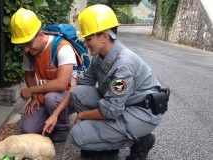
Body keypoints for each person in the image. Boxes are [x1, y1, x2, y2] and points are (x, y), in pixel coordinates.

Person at [68, 4, 167, 160]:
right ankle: (106, 148)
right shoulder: (99, 57)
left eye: (88, 38)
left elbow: (111, 111)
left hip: (141, 112)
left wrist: (83, 115)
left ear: (104, 37)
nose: (85, 44)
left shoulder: (124, 65)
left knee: (78, 134)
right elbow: (82, 84)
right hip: (124, 104)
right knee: (78, 94)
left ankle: (140, 141)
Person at [10, 8, 78, 143]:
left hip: (67, 97)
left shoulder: (62, 48)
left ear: (41, 34)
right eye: (23, 45)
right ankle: (49, 113)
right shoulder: (29, 51)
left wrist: (32, 90)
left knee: (51, 98)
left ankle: (62, 127)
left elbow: (61, 84)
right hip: (45, 96)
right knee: (28, 128)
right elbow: (29, 75)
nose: (26, 49)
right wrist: (35, 97)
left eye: (28, 44)